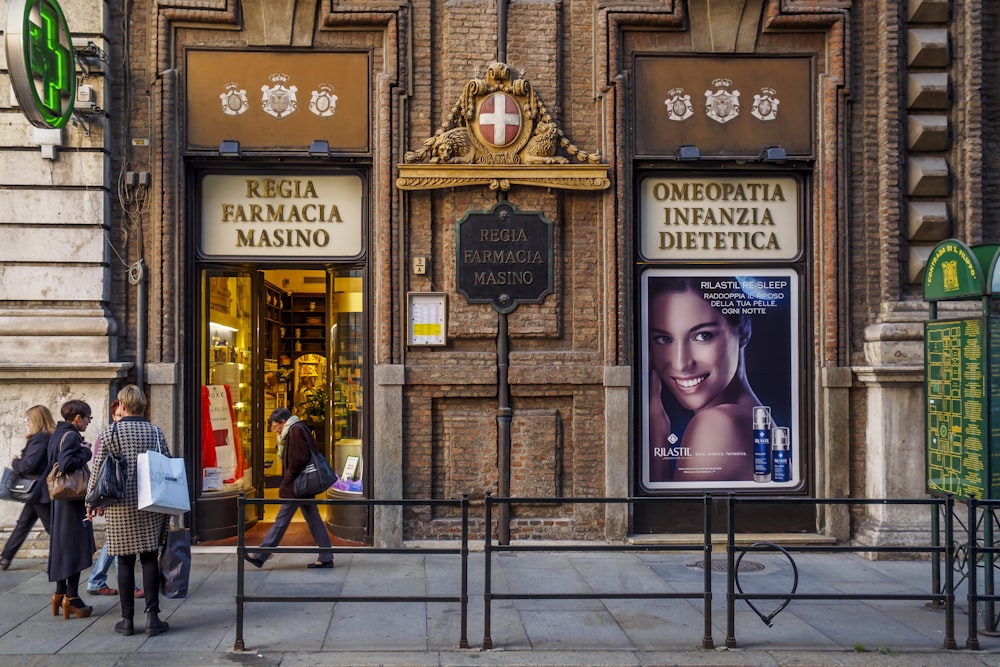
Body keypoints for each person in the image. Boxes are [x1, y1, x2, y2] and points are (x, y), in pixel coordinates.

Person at [647, 277, 761, 482]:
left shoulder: (718, 424)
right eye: (664, 339)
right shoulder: (749, 417)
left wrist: (655, 429)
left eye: (703, 336)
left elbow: (669, 513)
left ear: (743, 330)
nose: (681, 363)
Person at [86, 385, 171, 636]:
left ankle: (126, 620)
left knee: (124, 560)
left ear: (122, 405)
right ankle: (153, 617)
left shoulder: (111, 433)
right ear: (142, 405)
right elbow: (166, 463)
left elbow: (98, 469)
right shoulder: (155, 432)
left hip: (120, 505)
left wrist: (90, 502)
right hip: (150, 502)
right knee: (148, 558)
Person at [245, 407, 333, 570]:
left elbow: (298, 461)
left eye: (275, 426)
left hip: (297, 486)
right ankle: (326, 556)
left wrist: (287, 481)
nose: (274, 429)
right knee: (314, 520)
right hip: (302, 486)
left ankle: (260, 555)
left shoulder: (296, 432)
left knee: (281, 521)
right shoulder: (295, 430)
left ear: (283, 422)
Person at [86, 399, 143, 599]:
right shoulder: (108, 435)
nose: (121, 418)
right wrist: (95, 501)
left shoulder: (133, 432)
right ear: (113, 416)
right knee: (121, 544)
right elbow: (99, 469)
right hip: (113, 497)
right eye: (118, 415)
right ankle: (126, 586)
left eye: (123, 414)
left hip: (127, 497)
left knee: (115, 542)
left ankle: (96, 580)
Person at [47, 399, 97, 619]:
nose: (88, 422)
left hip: (61, 500)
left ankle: (59, 594)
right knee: (75, 546)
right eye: (88, 418)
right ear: (77, 418)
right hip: (72, 500)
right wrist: (86, 452)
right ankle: (73, 597)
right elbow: (67, 464)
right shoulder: (71, 436)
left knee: (63, 545)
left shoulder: (57, 434)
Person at [0, 405, 57, 570]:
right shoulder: (48, 437)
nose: (27, 423)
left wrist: (15, 461)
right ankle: (5, 557)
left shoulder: (41, 439)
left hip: (38, 491)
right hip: (36, 492)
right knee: (23, 523)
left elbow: (28, 466)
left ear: (36, 421)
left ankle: (63, 559)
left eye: (28, 420)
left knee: (51, 528)